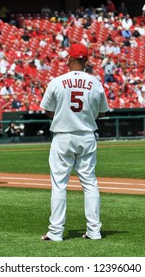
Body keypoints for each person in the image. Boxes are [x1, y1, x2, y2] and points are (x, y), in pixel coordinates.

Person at [40, 43, 109, 241]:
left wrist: (64, 114)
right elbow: (102, 113)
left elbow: (47, 110)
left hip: (63, 135)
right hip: (87, 135)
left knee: (59, 184)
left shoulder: (57, 81)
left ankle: (56, 232)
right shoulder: (95, 83)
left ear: (69, 59)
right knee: (90, 183)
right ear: (86, 61)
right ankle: (94, 231)